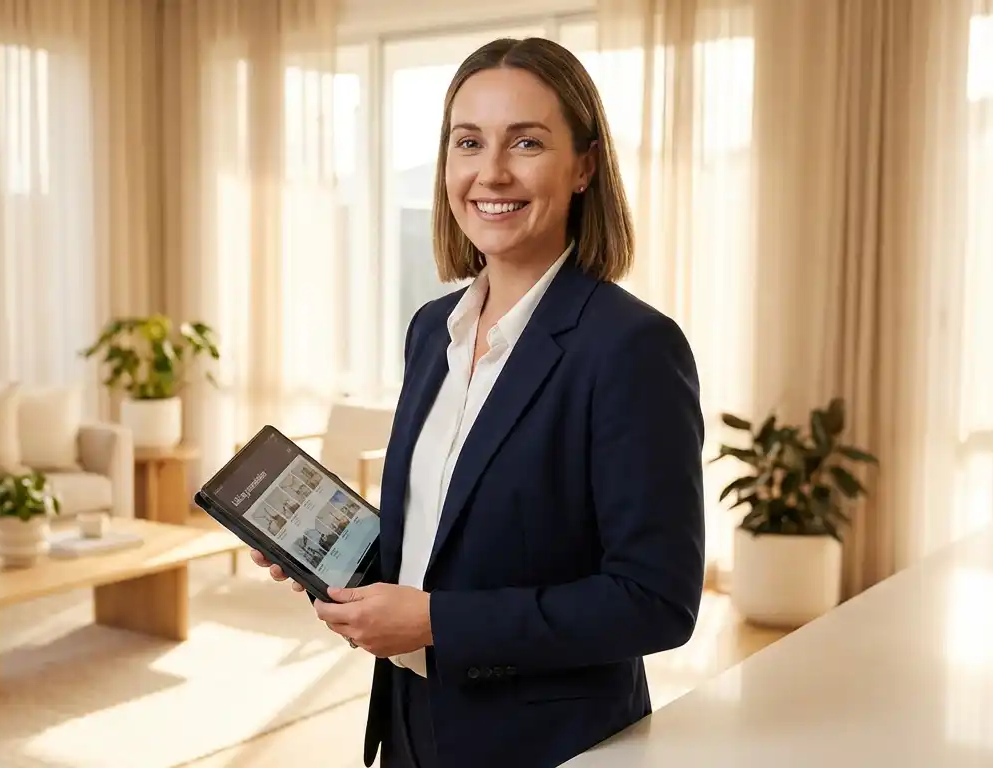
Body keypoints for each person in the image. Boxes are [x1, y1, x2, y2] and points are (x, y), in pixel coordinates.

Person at [250, 36, 705, 768]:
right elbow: (437, 539)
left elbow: (655, 601)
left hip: (545, 745)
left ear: (584, 166)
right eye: (468, 142)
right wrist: (326, 555)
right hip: (409, 722)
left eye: (526, 142)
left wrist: (437, 622)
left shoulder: (632, 348)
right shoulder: (433, 329)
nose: (491, 172)